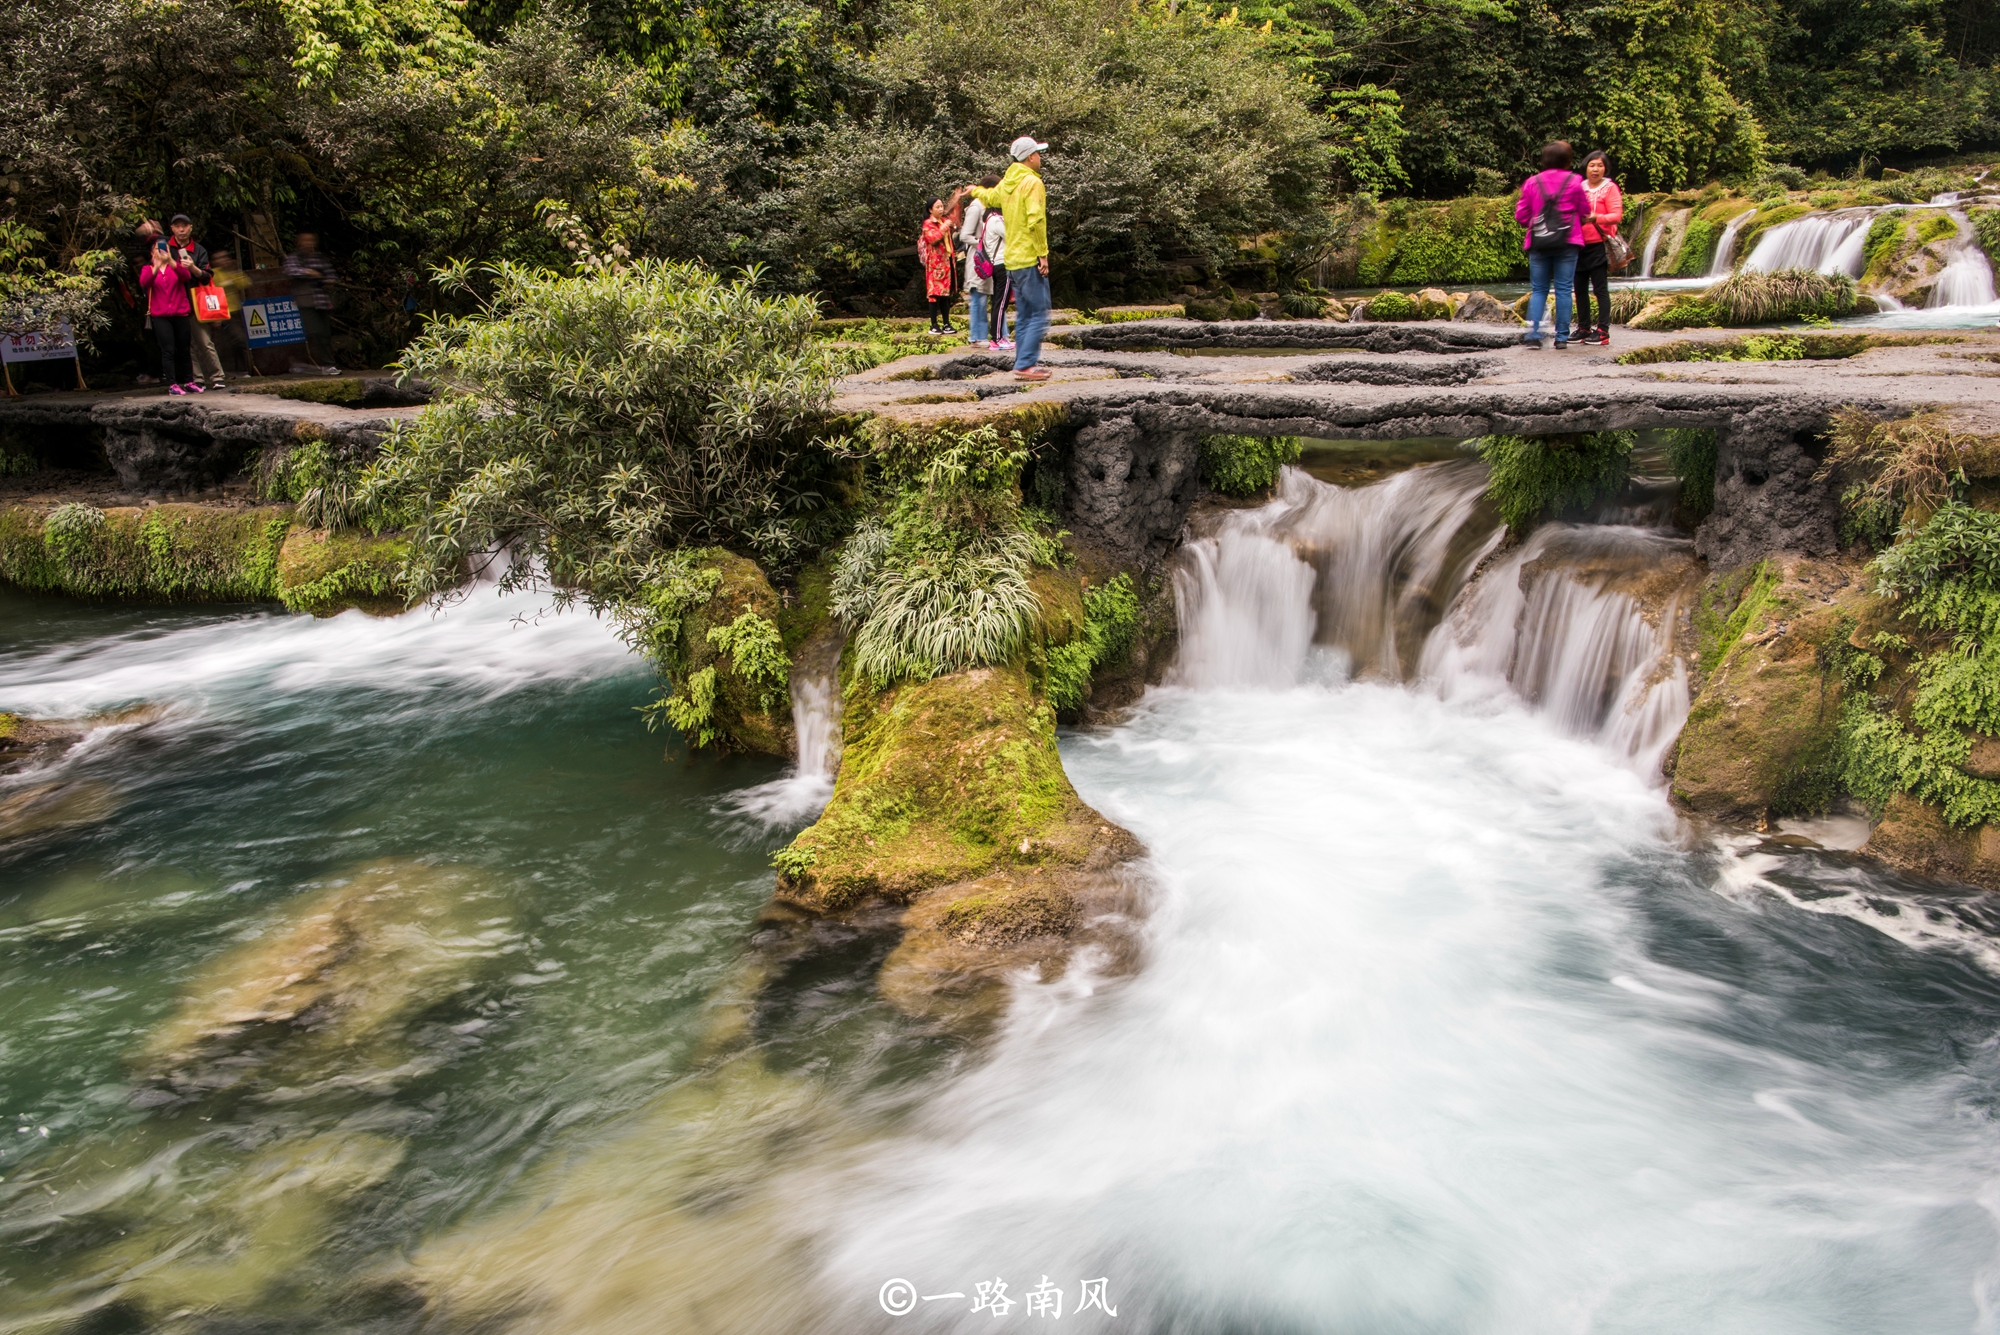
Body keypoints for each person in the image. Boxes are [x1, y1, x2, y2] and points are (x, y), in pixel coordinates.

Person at [970, 136, 1051, 381]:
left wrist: (973, 190)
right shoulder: (1032, 183)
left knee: (1025, 314)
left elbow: (991, 198)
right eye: (1037, 153)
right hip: (1028, 258)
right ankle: (1026, 364)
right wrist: (1043, 254)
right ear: (1030, 157)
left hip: (1011, 260)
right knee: (1039, 314)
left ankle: (1023, 364)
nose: (1039, 157)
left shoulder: (1007, 183)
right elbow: (1036, 220)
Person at [1513, 141, 1591, 349]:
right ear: (1568, 160)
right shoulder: (1575, 181)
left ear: (1544, 160)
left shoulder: (1532, 182)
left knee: (1539, 289)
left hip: (1539, 242)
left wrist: (1536, 223)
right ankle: (1562, 337)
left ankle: (1533, 335)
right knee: (1564, 289)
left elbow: (1521, 215)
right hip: (1568, 241)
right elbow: (1584, 211)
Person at [166, 215, 228, 391]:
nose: (181, 229)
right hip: (174, 301)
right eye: (177, 226)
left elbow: (207, 277)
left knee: (204, 341)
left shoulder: (198, 249)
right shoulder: (166, 248)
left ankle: (217, 376)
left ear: (191, 227)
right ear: (172, 228)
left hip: (194, 301)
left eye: (184, 226)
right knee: (186, 344)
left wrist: (192, 268)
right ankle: (196, 378)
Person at [138, 233, 199, 394]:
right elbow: (144, 282)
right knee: (168, 350)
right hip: (161, 316)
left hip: (180, 313)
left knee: (184, 349)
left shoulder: (176, 266)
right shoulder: (147, 269)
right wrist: (157, 266)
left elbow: (186, 276)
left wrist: (171, 261)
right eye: (157, 248)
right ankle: (172, 384)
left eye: (164, 248)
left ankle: (189, 381)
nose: (161, 251)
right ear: (152, 252)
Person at [1574, 151, 1623, 347]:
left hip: (1598, 245)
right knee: (1579, 288)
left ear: (1605, 169)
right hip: (1578, 245)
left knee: (1600, 289)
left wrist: (1597, 218)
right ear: (1585, 167)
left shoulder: (1609, 188)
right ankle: (1584, 328)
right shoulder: (1579, 187)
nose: (1595, 169)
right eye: (1592, 165)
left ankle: (1603, 330)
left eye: (1600, 165)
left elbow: (1616, 215)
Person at [960, 174, 1013, 349]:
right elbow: (964, 235)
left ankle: (1001, 335)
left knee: (998, 297)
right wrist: (984, 242)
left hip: (992, 258)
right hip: (980, 259)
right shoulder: (976, 207)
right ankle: (977, 336)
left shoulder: (990, 207)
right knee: (979, 297)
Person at [284, 233, 341, 374]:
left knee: (325, 333)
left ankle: (328, 365)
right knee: (314, 332)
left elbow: (331, 274)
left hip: (322, 300)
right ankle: (312, 364)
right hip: (306, 300)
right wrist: (309, 272)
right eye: (305, 240)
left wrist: (328, 281)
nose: (309, 243)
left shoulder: (319, 258)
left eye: (311, 240)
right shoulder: (294, 258)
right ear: (299, 242)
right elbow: (290, 271)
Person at [210, 250, 259, 378]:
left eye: (224, 257)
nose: (222, 260)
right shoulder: (213, 274)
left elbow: (245, 283)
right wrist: (216, 315)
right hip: (221, 313)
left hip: (235, 311)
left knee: (239, 341)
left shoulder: (233, 272)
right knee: (233, 340)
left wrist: (233, 273)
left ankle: (241, 370)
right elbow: (211, 294)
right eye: (219, 258)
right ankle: (233, 371)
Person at [919, 198, 958, 334]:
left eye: (942, 206)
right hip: (935, 264)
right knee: (934, 294)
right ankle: (934, 325)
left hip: (946, 262)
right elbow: (933, 239)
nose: (941, 209)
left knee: (945, 295)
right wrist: (945, 227)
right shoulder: (928, 224)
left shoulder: (942, 221)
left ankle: (946, 324)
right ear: (930, 209)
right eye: (938, 207)